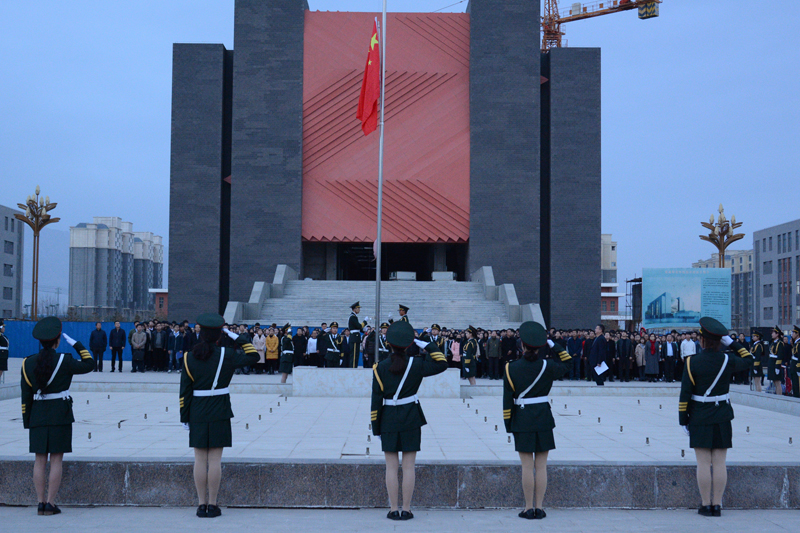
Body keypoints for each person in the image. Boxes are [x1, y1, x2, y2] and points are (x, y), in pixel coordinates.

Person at [179, 313, 259, 518]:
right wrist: (235, 336)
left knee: (199, 459)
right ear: (219, 335)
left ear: (200, 333)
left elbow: (184, 391)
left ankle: (201, 505)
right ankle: (213, 505)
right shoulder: (227, 354)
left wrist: (184, 416)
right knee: (215, 460)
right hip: (220, 409)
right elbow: (254, 355)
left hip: (197, 410)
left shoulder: (188, 357)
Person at [371, 321, 448, 520]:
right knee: (408, 466)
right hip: (411, 417)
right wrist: (426, 344)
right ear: (408, 345)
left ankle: (393, 509)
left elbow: (376, 401)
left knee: (391, 466)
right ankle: (406, 509)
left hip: (388, 418)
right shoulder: (417, 364)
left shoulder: (379, 368)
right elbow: (442, 363)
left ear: (388, 344)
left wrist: (376, 428)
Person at [679, 317, 753, 517]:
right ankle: (717, 505)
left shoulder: (692, 361)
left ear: (702, 340)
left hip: (699, 415)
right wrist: (732, 343)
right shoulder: (728, 360)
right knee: (720, 462)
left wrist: (683, 419)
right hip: (722, 415)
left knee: (703, 462)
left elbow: (685, 393)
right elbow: (749, 359)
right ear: (721, 341)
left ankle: (705, 505)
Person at [20, 316, 94, 515]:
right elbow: (89, 364)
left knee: (39, 460)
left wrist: (28, 421)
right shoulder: (65, 360)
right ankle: (51, 504)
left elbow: (26, 397)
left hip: (37, 415)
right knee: (56, 460)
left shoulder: (27, 363)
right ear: (58, 340)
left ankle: (40, 502)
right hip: (60, 415)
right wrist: (77, 344)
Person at [503, 321, 572, 520]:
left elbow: (507, 400)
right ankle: (539, 508)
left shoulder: (511, 368)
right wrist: (552, 344)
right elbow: (568, 363)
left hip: (522, 418)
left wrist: (509, 424)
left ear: (522, 345)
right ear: (540, 346)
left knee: (527, 466)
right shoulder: (548, 366)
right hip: (543, 417)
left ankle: (527, 508)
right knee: (541, 466)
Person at [348, 302, 369, 368]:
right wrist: (365, 321)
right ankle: (353, 368)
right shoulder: (353, 317)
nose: (359, 310)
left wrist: (364, 330)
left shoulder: (354, 317)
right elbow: (358, 326)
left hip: (356, 337)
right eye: (358, 308)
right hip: (354, 337)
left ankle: (354, 367)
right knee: (354, 354)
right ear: (354, 309)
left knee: (356, 354)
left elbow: (357, 328)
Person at [768, 326, 788, 395]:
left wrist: (777, 366)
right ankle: (776, 395)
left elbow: (780, 355)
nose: (772, 334)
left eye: (773, 333)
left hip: (775, 363)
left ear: (777, 334)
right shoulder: (773, 342)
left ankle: (779, 396)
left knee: (777, 382)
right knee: (774, 381)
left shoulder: (780, 343)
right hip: (771, 362)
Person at [789, 326, 800, 398]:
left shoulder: (799, 343)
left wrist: (798, 367)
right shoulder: (796, 343)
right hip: (793, 364)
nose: (792, 334)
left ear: (797, 334)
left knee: (797, 383)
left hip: (796, 365)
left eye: (793, 333)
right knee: (794, 382)